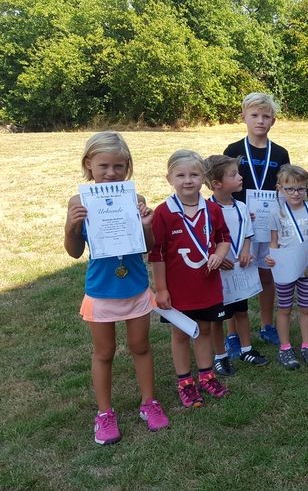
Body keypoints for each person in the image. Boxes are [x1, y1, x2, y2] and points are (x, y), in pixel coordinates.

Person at [64, 132, 169, 444]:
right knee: (104, 352)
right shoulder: (78, 202)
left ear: (128, 167)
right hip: (101, 290)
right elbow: (74, 251)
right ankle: (104, 413)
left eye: (119, 166)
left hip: (135, 286)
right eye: (104, 166)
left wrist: (147, 226)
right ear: (89, 164)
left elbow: (148, 247)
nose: (111, 172)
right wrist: (71, 226)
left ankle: (149, 403)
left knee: (140, 346)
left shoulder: (134, 199)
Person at [150, 150, 231, 407]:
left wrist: (219, 254)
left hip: (207, 285)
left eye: (194, 175)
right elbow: (157, 254)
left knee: (204, 329)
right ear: (169, 178)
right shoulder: (163, 213)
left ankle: (207, 375)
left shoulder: (212, 210)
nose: (188, 180)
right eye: (181, 175)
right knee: (181, 333)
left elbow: (224, 238)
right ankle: (185, 382)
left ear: (203, 177)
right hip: (178, 288)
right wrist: (161, 289)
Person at [224, 92, 290, 347]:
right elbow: (225, 185)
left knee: (267, 274)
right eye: (254, 115)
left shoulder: (280, 153)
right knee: (235, 276)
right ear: (243, 117)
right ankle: (232, 332)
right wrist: (237, 212)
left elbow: (285, 186)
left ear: (273, 120)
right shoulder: (233, 151)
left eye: (266, 116)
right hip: (240, 223)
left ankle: (266, 325)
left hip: (269, 224)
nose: (260, 121)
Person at [205, 155, 269, 374]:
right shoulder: (206, 209)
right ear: (217, 184)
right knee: (218, 318)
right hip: (220, 273)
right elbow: (204, 240)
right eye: (233, 175)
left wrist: (245, 250)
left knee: (242, 311)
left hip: (240, 271)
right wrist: (218, 257)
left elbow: (248, 233)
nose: (240, 177)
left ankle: (246, 349)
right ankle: (220, 355)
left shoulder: (241, 207)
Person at [265, 165, 308, 370]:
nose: (295, 193)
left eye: (300, 188)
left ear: (306, 188)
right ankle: (285, 347)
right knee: (284, 308)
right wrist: (271, 258)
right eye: (290, 189)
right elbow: (273, 242)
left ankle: (307, 345)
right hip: (284, 269)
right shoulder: (276, 212)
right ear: (280, 188)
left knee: (306, 308)